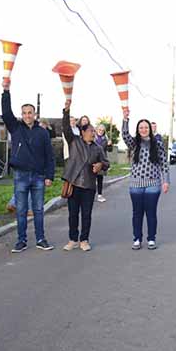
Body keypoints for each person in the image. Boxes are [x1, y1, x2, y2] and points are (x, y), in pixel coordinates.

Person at [1, 79, 55, 253]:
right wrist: (6, 91)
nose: (27, 115)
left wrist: (49, 176)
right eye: (24, 113)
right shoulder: (16, 128)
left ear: (35, 114)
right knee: (21, 210)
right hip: (21, 176)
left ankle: (41, 239)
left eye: (30, 112)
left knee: (38, 210)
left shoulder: (43, 133)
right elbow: (6, 113)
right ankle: (21, 241)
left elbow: (50, 156)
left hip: (39, 176)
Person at [61, 101, 110, 252]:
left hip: (89, 185)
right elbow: (66, 128)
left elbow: (106, 163)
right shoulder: (74, 142)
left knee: (86, 215)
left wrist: (101, 165)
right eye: (90, 131)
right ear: (82, 132)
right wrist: (66, 111)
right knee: (73, 214)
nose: (93, 133)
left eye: (94, 131)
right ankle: (73, 239)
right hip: (74, 184)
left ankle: (84, 240)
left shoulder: (98, 148)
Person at [122, 111, 170, 250]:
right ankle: (137, 238)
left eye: (146, 127)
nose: (143, 130)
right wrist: (125, 119)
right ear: (138, 130)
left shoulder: (158, 144)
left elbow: (164, 164)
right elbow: (125, 135)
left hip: (153, 184)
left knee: (151, 212)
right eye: (141, 128)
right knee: (137, 212)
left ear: (150, 128)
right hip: (136, 184)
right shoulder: (134, 143)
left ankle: (151, 238)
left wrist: (165, 181)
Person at [94, 124, 113, 203]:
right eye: (99, 130)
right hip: (93, 159)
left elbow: (109, 150)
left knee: (100, 178)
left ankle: (100, 195)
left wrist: (109, 145)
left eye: (102, 130)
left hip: (101, 160)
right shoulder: (93, 137)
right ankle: (90, 195)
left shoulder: (106, 139)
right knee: (91, 178)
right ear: (97, 130)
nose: (101, 131)